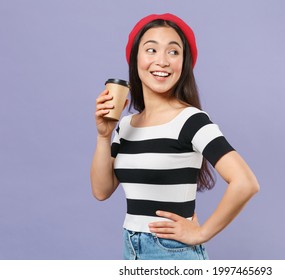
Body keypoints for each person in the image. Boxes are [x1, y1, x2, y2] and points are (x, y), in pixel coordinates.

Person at [90, 13, 259, 260]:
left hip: (172, 252)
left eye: (173, 52)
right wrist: (103, 137)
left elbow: (246, 182)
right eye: (151, 50)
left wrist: (201, 234)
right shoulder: (124, 125)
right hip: (131, 248)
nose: (162, 61)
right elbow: (101, 191)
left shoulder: (191, 121)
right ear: (135, 59)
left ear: (184, 63)